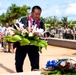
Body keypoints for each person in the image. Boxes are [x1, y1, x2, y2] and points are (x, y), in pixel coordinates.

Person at [14, 5, 45, 72]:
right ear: (32, 13)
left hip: (33, 47)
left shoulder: (41, 23)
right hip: (22, 46)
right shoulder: (24, 20)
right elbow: (19, 30)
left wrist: (41, 39)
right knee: (18, 64)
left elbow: (42, 33)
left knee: (35, 66)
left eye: (39, 14)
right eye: (36, 14)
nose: (37, 16)